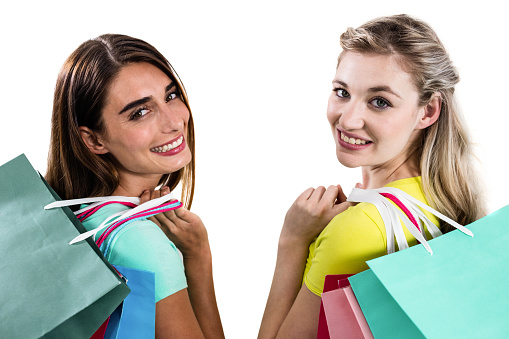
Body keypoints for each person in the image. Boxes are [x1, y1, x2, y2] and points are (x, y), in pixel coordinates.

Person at [258, 14, 486, 338]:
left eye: (379, 102)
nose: (348, 120)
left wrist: (292, 240)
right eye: (342, 92)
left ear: (428, 111)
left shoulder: (354, 230)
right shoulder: (442, 201)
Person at [46, 34, 224, 339]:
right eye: (140, 112)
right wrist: (198, 257)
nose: (174, 122)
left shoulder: (71, 222)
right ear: (93, 140)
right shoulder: (141, 242)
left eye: (170, 96)